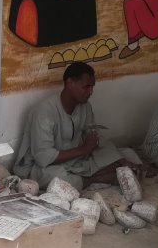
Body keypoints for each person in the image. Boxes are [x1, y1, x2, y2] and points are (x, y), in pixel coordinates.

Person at [14, 61, 141, 190]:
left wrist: (120, 160)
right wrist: (84, 149)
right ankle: (93, 179)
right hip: (41, 167)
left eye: (92, 87)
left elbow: (95, 138)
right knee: (60, 178)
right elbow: (43, 157)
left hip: (74, 161)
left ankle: (99, 175)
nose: (91, 92)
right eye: (86, 87)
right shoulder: (44, 112)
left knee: (127, 154)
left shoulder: (85, 107)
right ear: (70, 83)